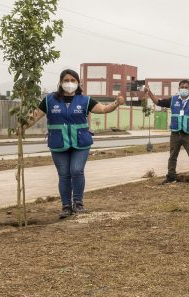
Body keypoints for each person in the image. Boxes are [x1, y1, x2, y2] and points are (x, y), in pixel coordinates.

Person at [23, 69, 124, 218]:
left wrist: (116, 103)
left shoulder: (85, 100)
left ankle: (78, 203)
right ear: (60, 82)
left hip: (81, 143)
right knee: (63, 175)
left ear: (78, 83)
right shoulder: (49, 100)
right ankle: (66, 207)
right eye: (66, 80)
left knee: (76, 170)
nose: (69, 83)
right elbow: (34, 116)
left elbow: (103, 109)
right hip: (58, 143)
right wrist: (20, 128)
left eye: (73, 80)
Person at [143, 80, 189, 184]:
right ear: (179, 88)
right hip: (175, 133)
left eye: (186, 87)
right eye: (181, 87)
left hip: (188, 134)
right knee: (172, 156)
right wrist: (149, 92)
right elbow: (158, 102)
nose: (183, 89)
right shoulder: (173, 99)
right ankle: (171, 176)